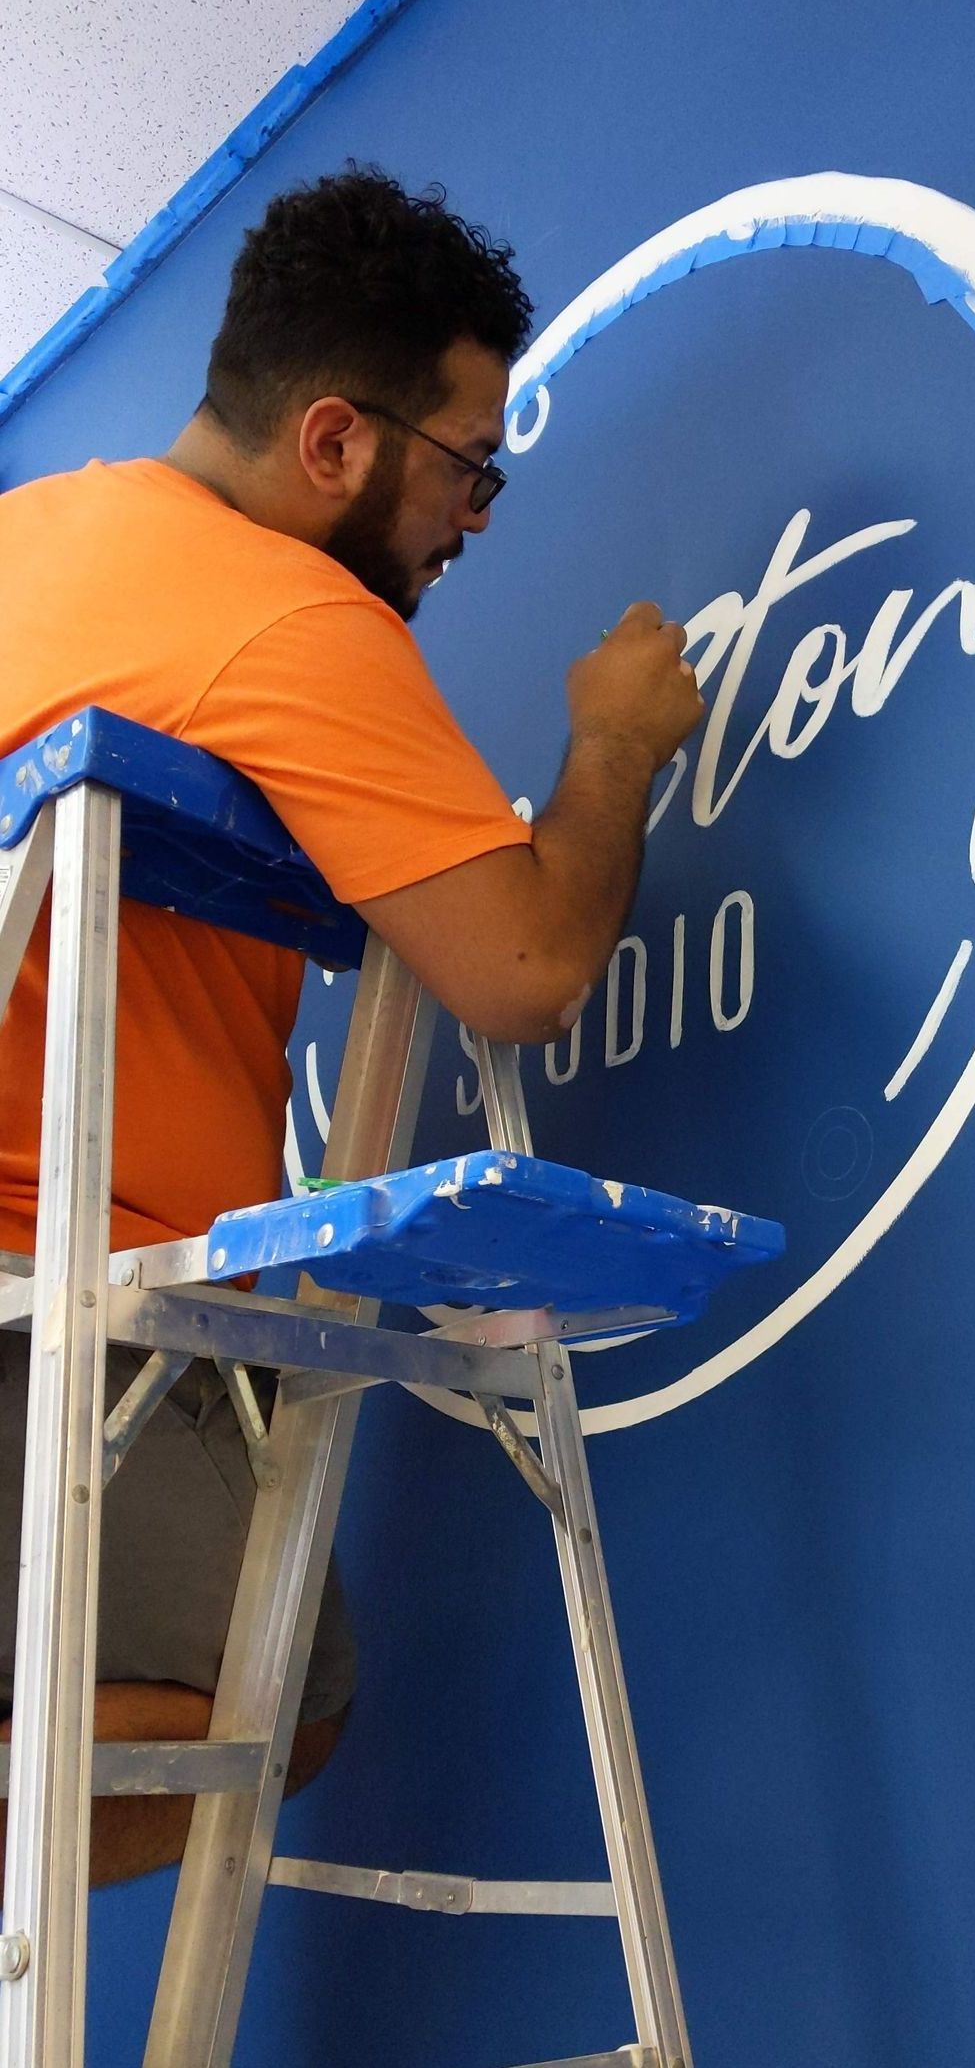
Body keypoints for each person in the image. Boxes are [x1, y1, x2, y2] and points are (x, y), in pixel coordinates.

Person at [0, 165, 703, 1884]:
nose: (477, 515)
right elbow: (525, 970)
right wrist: (613, 746)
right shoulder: (287, 617)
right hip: (61, 1312)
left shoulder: (27, 533)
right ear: (335, 442)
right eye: (470, 463)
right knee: (285, 1697)